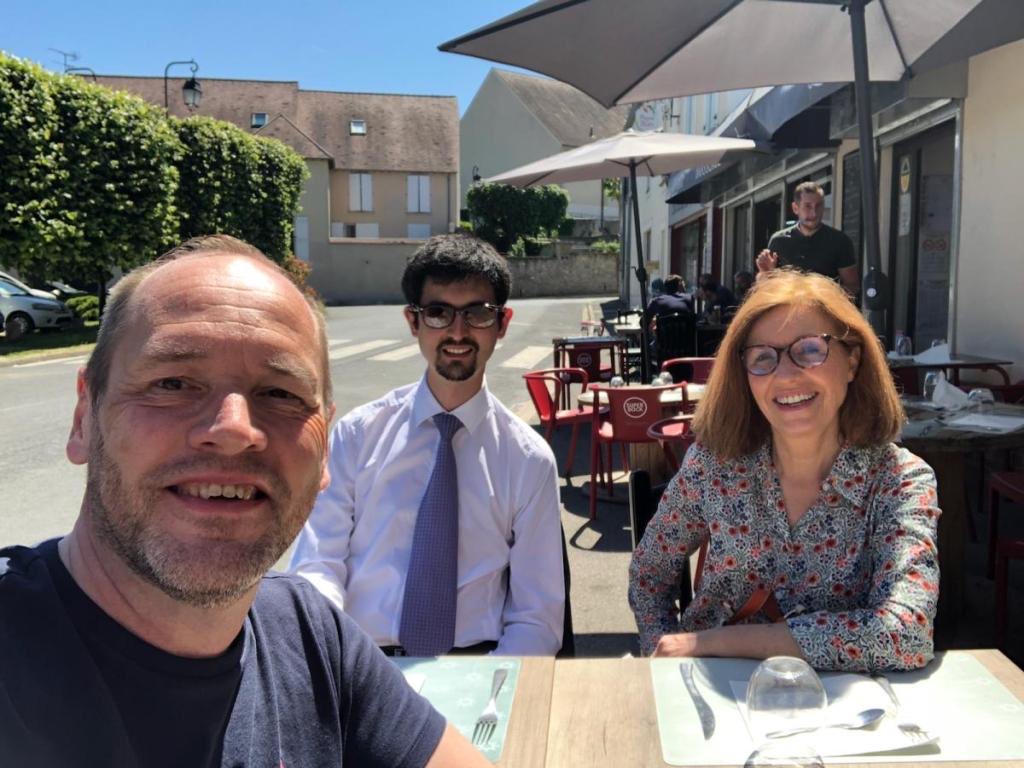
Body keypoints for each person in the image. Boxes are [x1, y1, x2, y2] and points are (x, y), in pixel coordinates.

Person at [0, 235, 489, 767]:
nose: (234, 430)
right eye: (173, 382)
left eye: (280, 394)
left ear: (324, 446)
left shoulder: (308, 635)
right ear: (83, 419)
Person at [629, 269, 940, 672]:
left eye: (810, 350)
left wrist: (712, 641)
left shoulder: (899, 481)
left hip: (845, 716)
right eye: (763, 357)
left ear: (852, 360)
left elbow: (905, 632)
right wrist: (664, 662)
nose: (786, 375)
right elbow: (649, 572)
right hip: (714, 701)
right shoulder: (714, 465)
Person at [290, 234, 564, 656]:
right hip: (362, 662)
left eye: (477, 313)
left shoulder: (528, 460)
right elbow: (318, 563)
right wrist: (333, 659)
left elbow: (536, 617)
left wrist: (490, 691)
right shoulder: (357, 436)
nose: (457, 331)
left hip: (479, 667)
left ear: (503, 323)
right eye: (438, 313)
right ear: (413, 322)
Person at [756, 181, 859, 296]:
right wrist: (765, 272)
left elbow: (852, 286)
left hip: (823, 309)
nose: (814, 213)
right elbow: (765, 289)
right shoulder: (778, 241)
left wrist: (826, 296)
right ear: (795, 208)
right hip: (787, 309)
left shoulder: (840, 241)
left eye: (818, 206)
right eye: (808, 206)